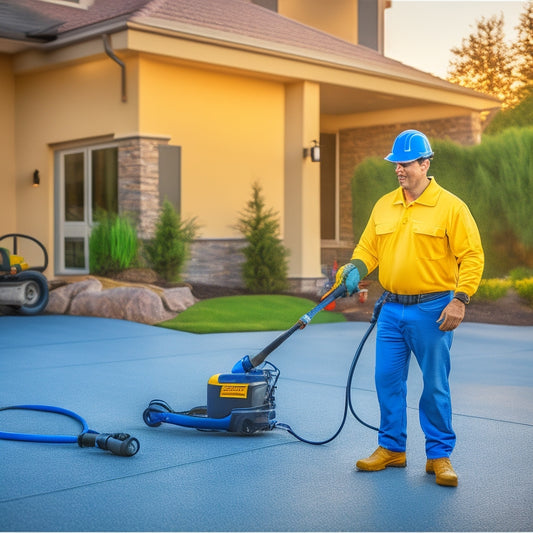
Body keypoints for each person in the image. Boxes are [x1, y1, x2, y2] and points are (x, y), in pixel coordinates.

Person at [329, 129, 484, 487]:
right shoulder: (385, 204)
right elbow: (368, 248)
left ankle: (439, 456)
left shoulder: (451, 207)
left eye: (406, 163)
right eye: (396, 164)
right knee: (386, 379)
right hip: (391, 310)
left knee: (434, 385)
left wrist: (460, 299)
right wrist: (354, 267)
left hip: (434, 309)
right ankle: (392, 448)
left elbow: (472, 255)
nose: (399, 170)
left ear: (425, 164)